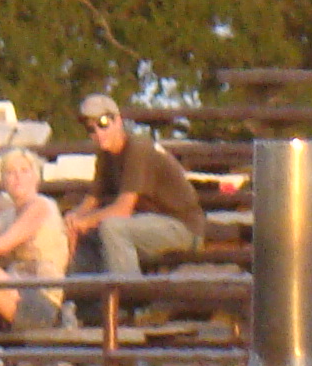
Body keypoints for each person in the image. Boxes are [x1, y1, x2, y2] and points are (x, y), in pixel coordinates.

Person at [63, 94, 207, 282]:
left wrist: (85, 221)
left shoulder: (137, 148)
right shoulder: (105, 154)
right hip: (147, 224)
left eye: (103, 122)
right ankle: (84, 303)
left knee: (112, 227)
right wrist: (72, 221)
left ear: (118, 121)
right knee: (86, 235)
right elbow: (92, 200)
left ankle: (130, 296)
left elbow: (122, 209)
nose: (98, 132)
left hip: (182, 228)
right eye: (91, 128)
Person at [0, 149, 72, 332]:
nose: (18, 177)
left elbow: (1, 245)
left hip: (41, 299)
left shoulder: (41, 206)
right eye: (11, 173)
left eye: (24, 171)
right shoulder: (6, 216)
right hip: (13, 293)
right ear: (3, 182)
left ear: (36, 177)